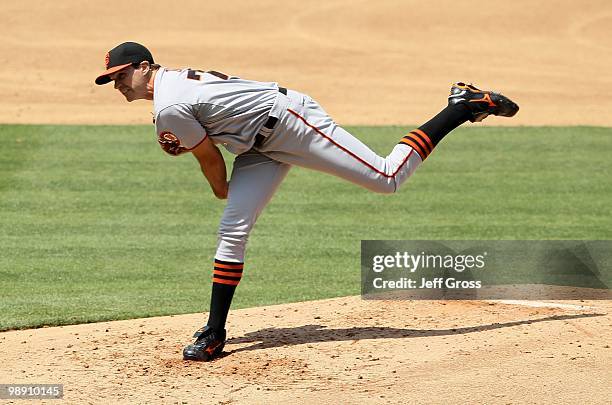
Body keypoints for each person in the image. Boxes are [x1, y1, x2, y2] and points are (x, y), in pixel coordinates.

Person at [95, 41, 519, 361]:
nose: (116, 84)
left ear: (144, 66)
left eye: (120, 75)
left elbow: (208, 158)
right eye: (111, 79)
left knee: (386, 178)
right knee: (232, 230)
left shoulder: (169, 105)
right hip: (257, 145)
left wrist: (220, 188)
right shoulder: (172, 88)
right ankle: (214, 333)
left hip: (292, 123)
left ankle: (462, 106)